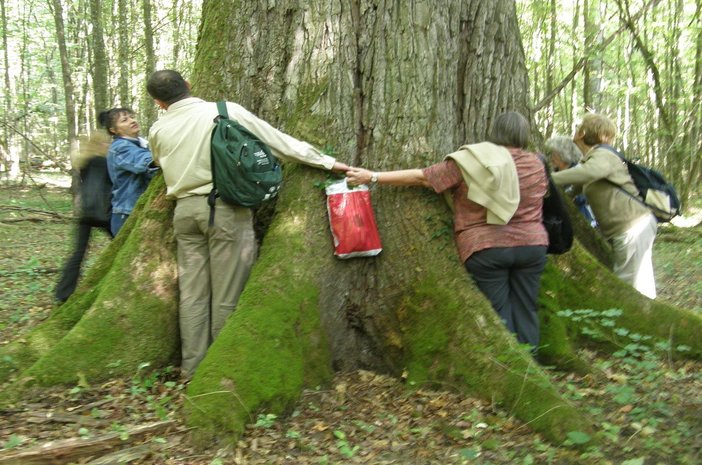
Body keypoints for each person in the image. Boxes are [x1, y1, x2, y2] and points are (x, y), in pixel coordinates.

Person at [146, 69, 350, 376]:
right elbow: (278, 142)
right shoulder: (222, 112)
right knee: (227, 295)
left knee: (193, 295)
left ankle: (193, 368)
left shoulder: (157, 131)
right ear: (188, 84)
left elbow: (160, 162)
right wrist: (327, 162)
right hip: (224, 210)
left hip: (184, 214)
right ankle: (221, 370)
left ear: (158, 102)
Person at [346, 111, 548, 349]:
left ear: (495, 132)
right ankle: (530, 368)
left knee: (498, 316)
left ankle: (511, 373)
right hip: (532, 247)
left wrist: (373, 176)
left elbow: (423, 178)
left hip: (487, 248)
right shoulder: (537, 163)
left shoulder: (473, 161)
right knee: (526, 309)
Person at [551, 113, 657, 299]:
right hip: (627, 229)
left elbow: (588, 173)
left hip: (633, 227)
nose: (574, 132)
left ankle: (639, 325)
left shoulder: (603, 155)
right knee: (635, 284)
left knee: (632, 289)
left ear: (583, 133)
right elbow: (578, 187)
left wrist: (546, 179)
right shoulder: (592, 159)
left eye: (578, 128)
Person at [55, 130, 113, 302]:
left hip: (86, 213)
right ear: (100, 144)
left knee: (77, 253)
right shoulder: (102, 162)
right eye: (106, 143)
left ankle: (63, 294)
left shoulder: (85, 163)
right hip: (102, 214)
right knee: (122, 243)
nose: (108, 145)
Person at [104, 108, 158, 236]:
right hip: (127, 213)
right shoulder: (120, 147)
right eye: (124, 120)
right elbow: (146, 161)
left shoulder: (139, 144)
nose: (132, 121)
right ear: (113, 130)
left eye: (131, 117)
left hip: (138, 210)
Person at [544, 136, 598, 228]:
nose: (551, 157)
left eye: (554, 154)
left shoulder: (578, 171)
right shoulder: (554, 173)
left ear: (564, 154)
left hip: (581, 222)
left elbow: (582, 197)